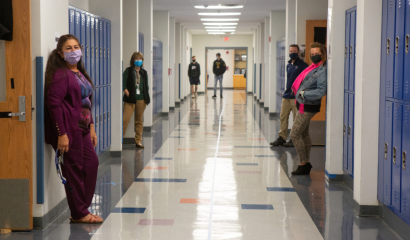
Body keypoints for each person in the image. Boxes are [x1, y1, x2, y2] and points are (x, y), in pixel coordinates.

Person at [44, 34, 103, 224]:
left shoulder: (80, 73)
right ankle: (79, 213)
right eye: (68, 48)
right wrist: (62, 134)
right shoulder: (61, 74)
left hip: (84, 129)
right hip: (70, 130)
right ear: (61, 53)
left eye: (76, 47)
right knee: (73, 170)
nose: (73, 51)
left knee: (91, 164)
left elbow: (87, 103)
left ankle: (81, 209)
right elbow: (54, 104)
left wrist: (92, 127)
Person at [290, 42, 328, 175]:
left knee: (294, 134)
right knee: (304, 134)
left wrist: (304, 94)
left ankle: (302, 163)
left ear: (323, 55)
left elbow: (321, 91)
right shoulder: (312, 68)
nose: (314, 56)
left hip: (308, 105)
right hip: (302, 103)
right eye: (312, 54)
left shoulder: (322, 70)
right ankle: (306, 162)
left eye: (316, 54)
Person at [271, 44, 309, 147]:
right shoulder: (288, 65)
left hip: (296, 97)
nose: (292, 52)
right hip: (286, 96)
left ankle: (294, 139)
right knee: (283, 117)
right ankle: (282, 137)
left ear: (298, 52)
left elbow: (306, 81)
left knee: (296, 119)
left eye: (294, 51)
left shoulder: (303, 65)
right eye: (291, 51)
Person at [122, 52, 151, 148]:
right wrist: (126, 90)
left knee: (139, 121)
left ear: (142, 61)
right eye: (136, 58)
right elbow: (123, 82)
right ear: (133, 60)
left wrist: (146, 96)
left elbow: (146, 86)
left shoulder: (144, 72)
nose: (138, 60)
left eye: (140, 58)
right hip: (130, 99)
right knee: (125, 120)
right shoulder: (128, 71)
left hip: (141, 99)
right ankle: (120, 140)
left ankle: (138, 141)